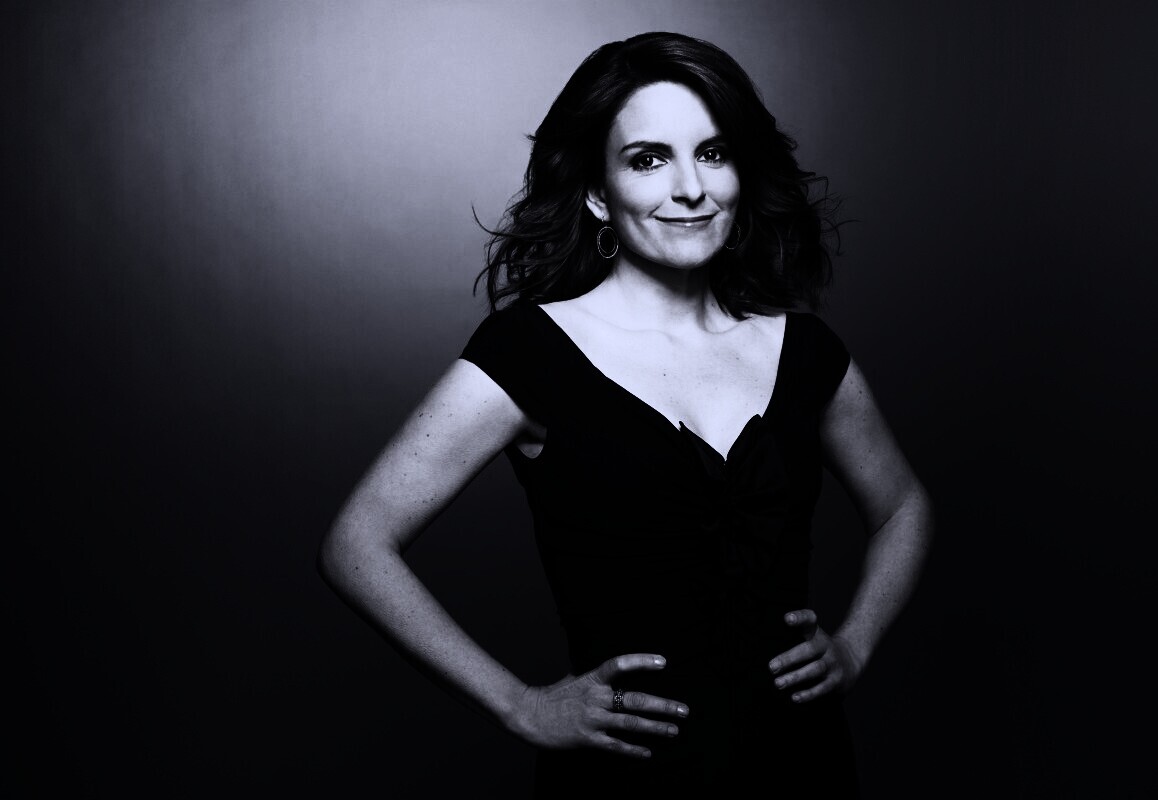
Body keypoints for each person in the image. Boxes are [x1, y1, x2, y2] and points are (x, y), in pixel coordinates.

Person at [319, 31, 933, 794]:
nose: (691, 188)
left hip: (805, 768)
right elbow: (356, 543)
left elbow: (903, 506)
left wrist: (856, 644)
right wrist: (518, 703)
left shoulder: (806, 351)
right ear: (597, 192)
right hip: (622, 782)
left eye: (713, 153)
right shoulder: (529, 352)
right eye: (649, 160)